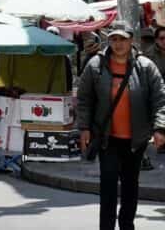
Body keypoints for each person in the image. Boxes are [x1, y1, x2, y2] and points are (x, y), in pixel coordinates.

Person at [77, 20, 165, 230]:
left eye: (122, 39)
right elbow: (84, 99)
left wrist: (160, 128)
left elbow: (160, 98)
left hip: (136, 140)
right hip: (107, 139)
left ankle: (127, 225)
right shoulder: (95, 66)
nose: (118, 44)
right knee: (107, 186)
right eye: (114, 39)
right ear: (109, 41)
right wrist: (84, 129)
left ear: (131, 41)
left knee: (129, 187)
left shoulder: (145, 66)